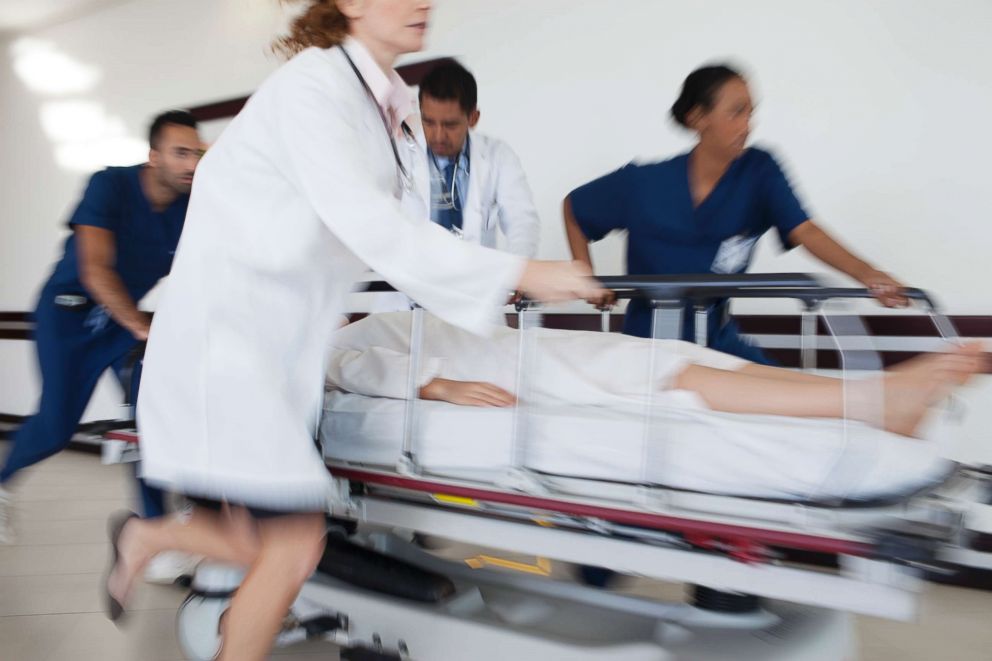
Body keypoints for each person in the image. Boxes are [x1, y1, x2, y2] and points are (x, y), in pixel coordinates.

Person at [103, 3, 602, 660]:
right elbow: (377, 228)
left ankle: (148, 536)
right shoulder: (312, 88)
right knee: (290, 548)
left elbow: (385, 234)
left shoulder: (383, 112)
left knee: (285, 543)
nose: (423, 2)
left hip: (273, 354)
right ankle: (149, 538)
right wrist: (526, 272)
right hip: (225, 351)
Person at [564, 64, 907, 364]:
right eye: (737, 112)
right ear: (698, 118)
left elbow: (806, 230)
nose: (748, 125)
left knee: (788, 401)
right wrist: (585, 274)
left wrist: (869, 274)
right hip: (649, 346)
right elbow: (575, 208)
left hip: (716, 338)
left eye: (751, 112)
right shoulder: (643, 183)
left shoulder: (759, 171)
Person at [0, 110, 202, 548]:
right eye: (180, 153)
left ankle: (153, 534)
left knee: (148, 420)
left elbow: (204, 271)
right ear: (154, 156)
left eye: (198, 154)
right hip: (68, 313)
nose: (191, 164)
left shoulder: (193, 207)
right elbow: (95, 269)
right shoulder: (109, 185)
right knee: (55, 426)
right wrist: (140, 326)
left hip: (122, 322)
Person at [327, 311, 986, 440]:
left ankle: (875, 400)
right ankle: (876, 400)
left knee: (690, 369)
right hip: (511, 365)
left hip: (514, 346)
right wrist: (436, 386)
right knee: (673, 375)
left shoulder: (365, 316)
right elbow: (356, 366)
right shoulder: (336, 340)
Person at [404, 60, 540, 256]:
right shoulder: (402, 153)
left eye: (450, 125)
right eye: (429, 122)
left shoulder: (497, 155)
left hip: (476, 280)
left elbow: (522, 222)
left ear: (473, 118)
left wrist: (520, 276)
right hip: (414, 278)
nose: (438, 136)